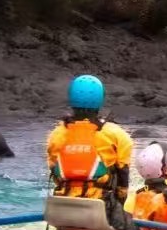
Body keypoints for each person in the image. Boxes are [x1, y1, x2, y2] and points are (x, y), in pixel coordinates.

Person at [46, 75, 135, 217]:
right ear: (100, 99)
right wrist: (120, 205)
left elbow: (53, 168)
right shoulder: (116, 134)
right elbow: (123, 174)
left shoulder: (57, 134)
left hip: (63, 207)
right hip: (100, 209)